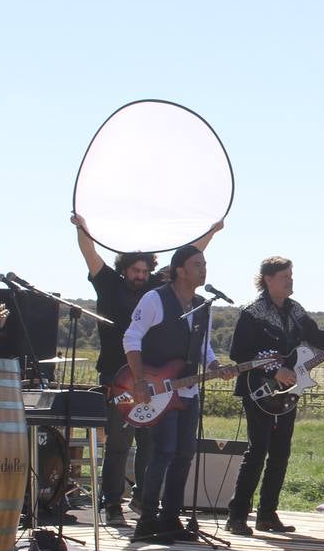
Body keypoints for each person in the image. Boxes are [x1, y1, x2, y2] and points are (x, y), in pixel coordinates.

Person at [71, 213, 222, 526]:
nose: (140, 275)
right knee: (118, 442)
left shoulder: (158, 287)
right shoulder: (110, 285)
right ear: (124, 269)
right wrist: (82, 228)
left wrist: (211, 232)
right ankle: (112, 503)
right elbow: (90, 255)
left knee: (151, 444)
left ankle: (142, 501)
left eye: (144, 270)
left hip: (157, 380)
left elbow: (186, 259)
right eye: (134, 270)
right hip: (118, 375)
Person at [225, 256, 324, 536]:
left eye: (291, 276)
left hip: (288, 391)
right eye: (285, 276)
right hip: (259, 389)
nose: (291, 281)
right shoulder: (251, 312)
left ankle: (267, 515)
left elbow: (319, 337)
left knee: (281, 452)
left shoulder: (295, 310)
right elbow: (239, 354)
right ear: (268, 279)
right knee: (257, 451)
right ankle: (237, 516)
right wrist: (274, 370)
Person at [121, 245, 235, 544]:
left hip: (188, 390)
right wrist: (138, 381)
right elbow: (131, 337)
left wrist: (215, 365)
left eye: (205, 264)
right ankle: (146, 521)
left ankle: (171, 518)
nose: (204, 269)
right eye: (197, 264)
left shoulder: (202, 304)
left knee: (184, 454)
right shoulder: (155, 298)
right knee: (163, 452)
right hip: (159, 389)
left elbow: (203, 346)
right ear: (180, 270)